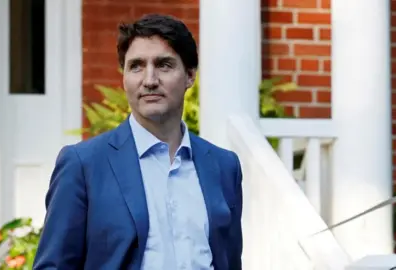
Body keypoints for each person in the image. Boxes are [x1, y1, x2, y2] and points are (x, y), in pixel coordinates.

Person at [33, 13, 243, 270]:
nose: (150, 80)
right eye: (136, 66)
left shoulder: (224, 166)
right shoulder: (84, 165)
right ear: (124, 78)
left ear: (190, 76)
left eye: (164, 65)